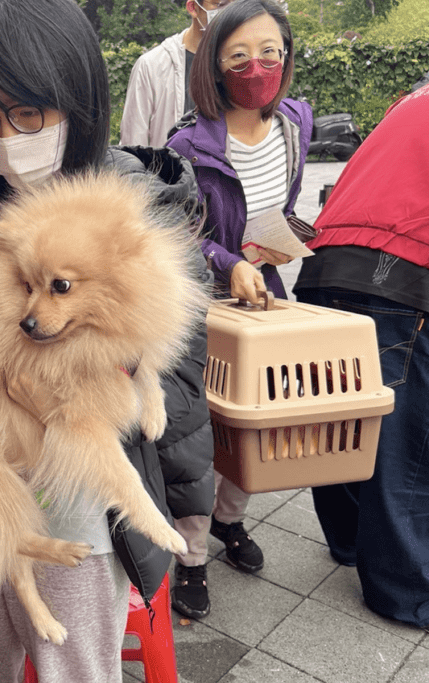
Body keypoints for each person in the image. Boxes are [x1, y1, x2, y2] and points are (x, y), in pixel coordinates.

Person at [0, 1, 214, 680]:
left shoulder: (139, 213)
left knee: (75, 667)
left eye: (27, 115)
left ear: (78, 100)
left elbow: (175, 389)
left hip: (87, 507)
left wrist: (69, 387)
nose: (6, 139)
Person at [291, 56, 429, 645]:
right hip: (422, 276)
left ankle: (348, 542)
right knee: (414, 444)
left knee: (342, 415)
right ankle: (406, 594)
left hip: (328, 261)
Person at [165, 0, 312, 619]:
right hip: (203, 305)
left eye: (271, 52)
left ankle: (230, 520)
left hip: (265, 298)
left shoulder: (294, 125)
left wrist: (279, 244)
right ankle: (191, 554)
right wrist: (230, 262)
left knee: (259, 422)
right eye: (240, 57)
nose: (259, 67)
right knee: (196, 431)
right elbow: (177, 231)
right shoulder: (188, 143)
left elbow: (282, 205)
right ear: (214, 66)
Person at [120, 0, 236, 147]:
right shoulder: (151, 66)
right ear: (193, 7)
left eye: (232, 5)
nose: (227, 13)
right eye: (218, 5)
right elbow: (133, 143)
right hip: (170, 168)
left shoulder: (238, 63)